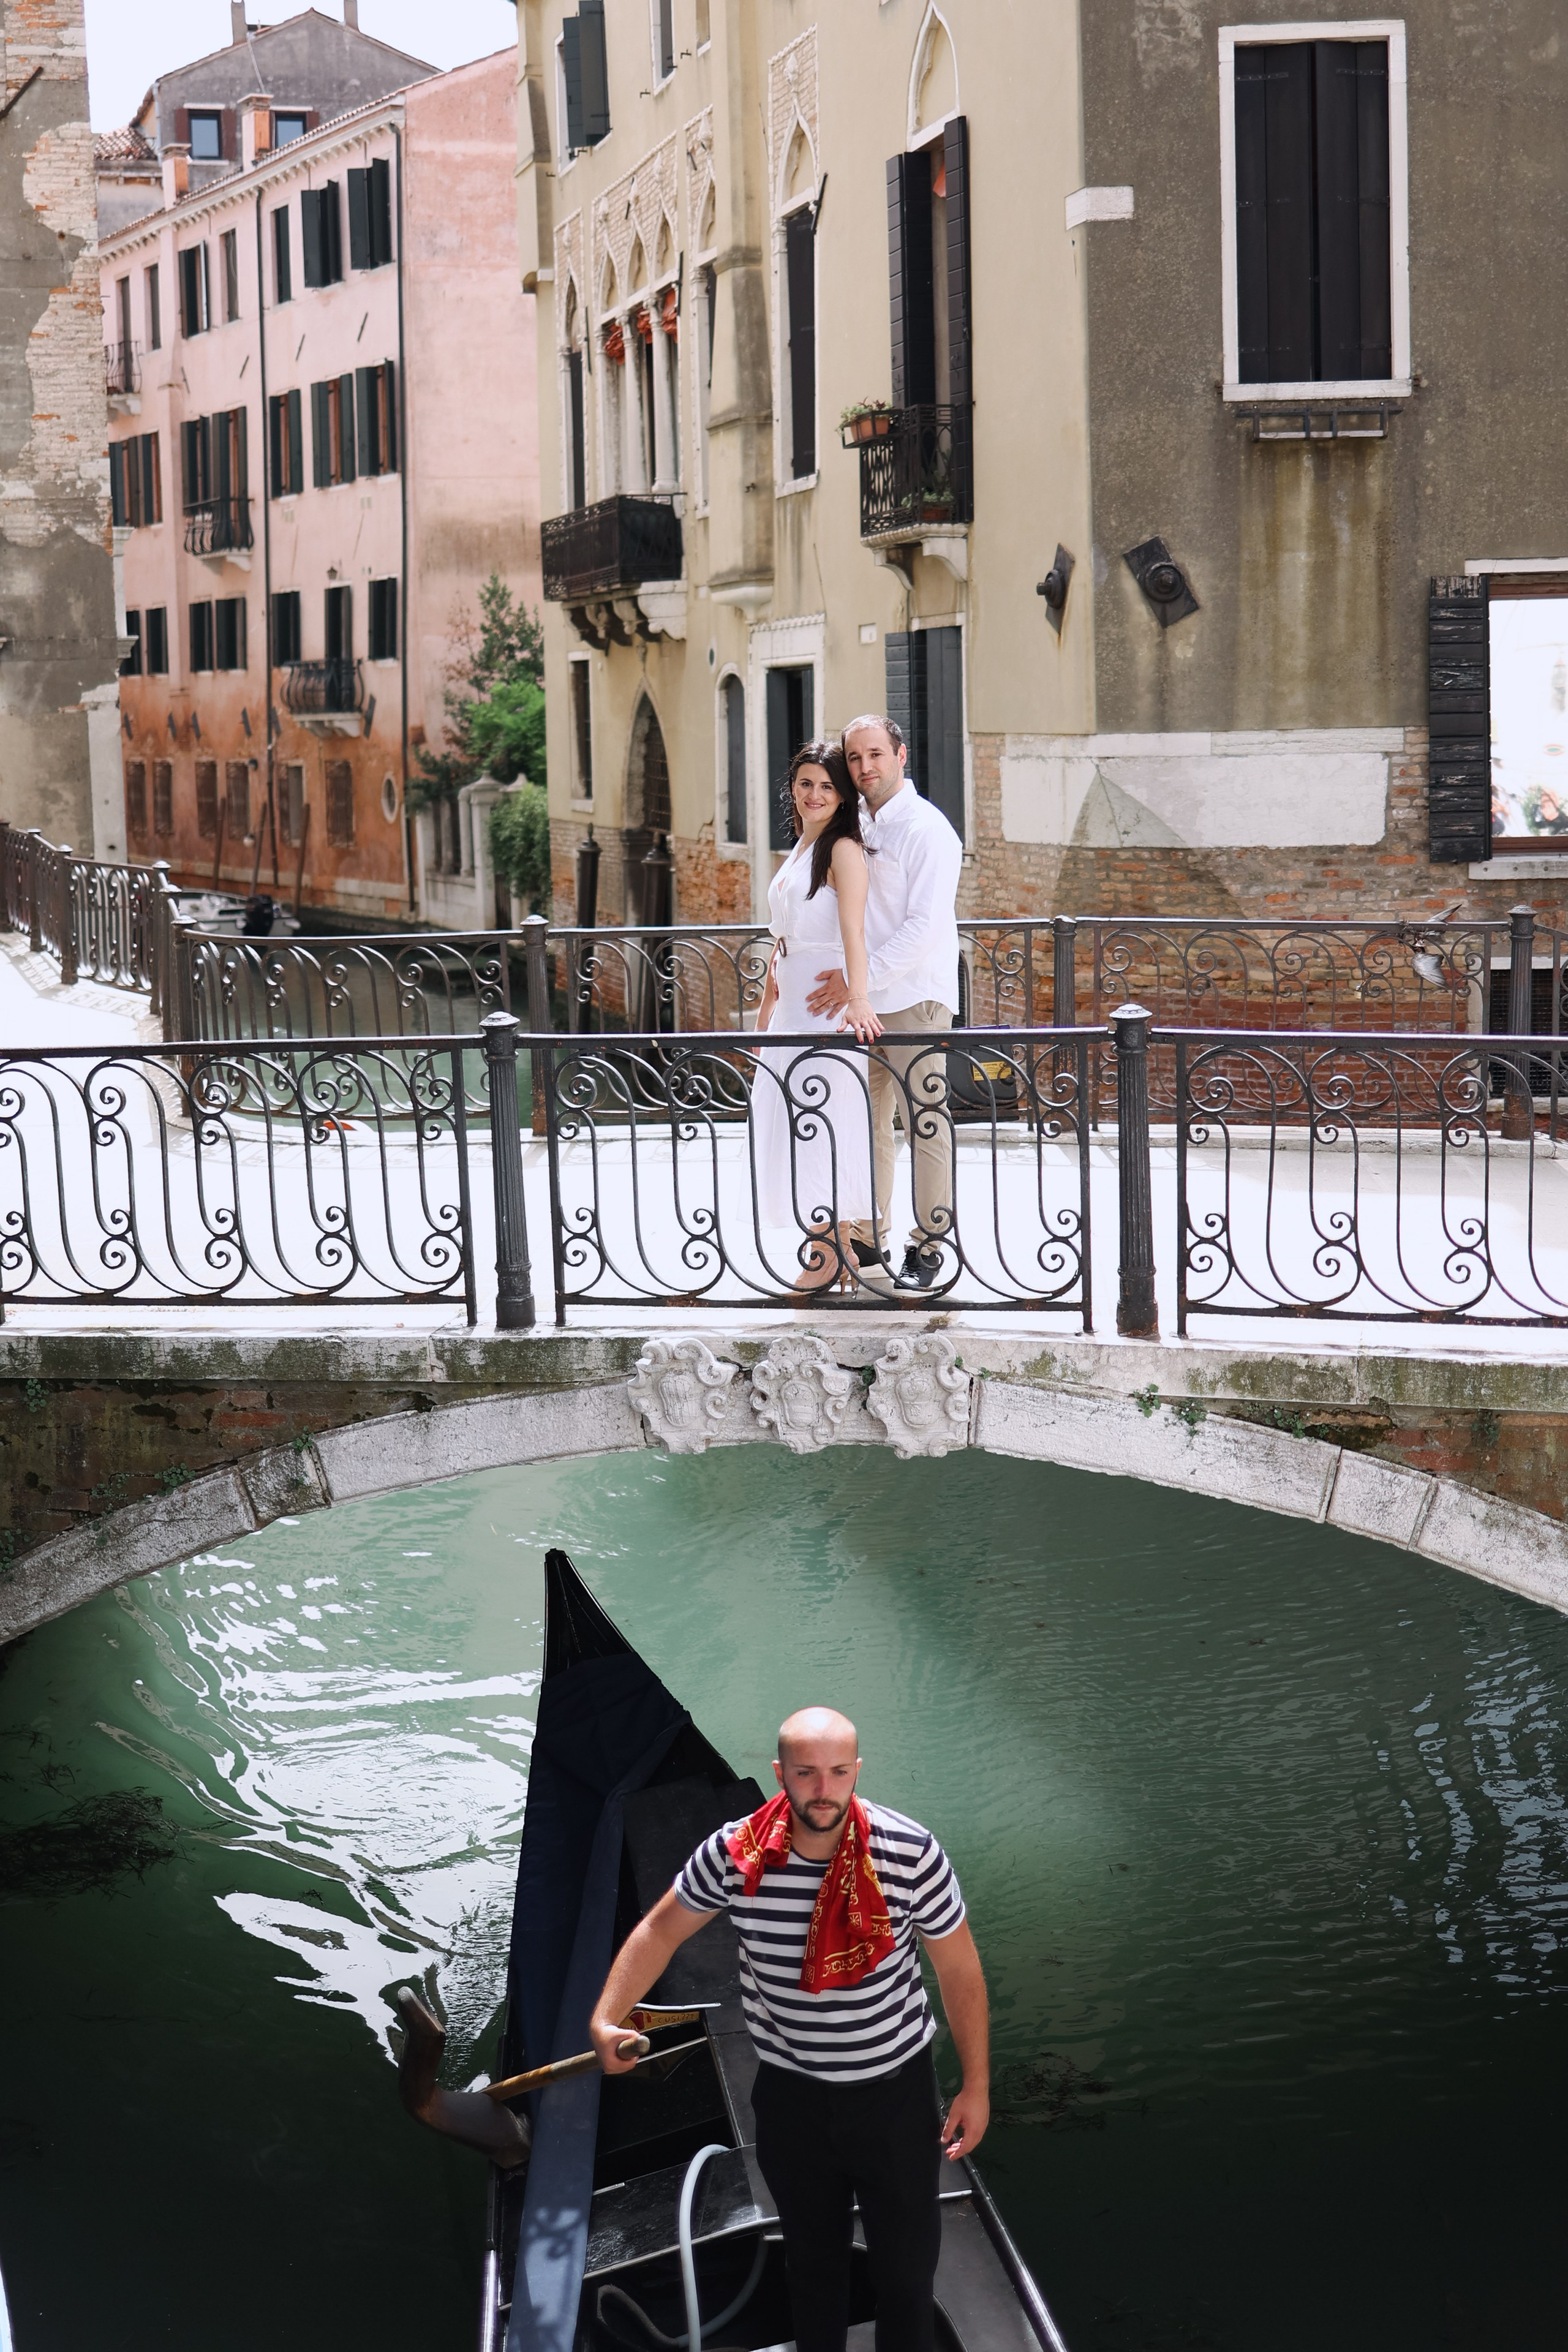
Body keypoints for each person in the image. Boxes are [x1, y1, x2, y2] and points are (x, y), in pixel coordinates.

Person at [589, 1706, 990, 2352]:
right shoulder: (734, 1853)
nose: (823, 1790)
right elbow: (660, 1928)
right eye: (806, 1774)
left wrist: (976, 2086)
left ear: (856, 1771)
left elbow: (960, 1971)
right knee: (812, 2266)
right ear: (781, 1774)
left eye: (837, 1773)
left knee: (906, 2276)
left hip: (896, 2096)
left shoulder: (910, 1851)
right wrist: (608, 2016)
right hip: (793, 2099)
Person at [806, 715, 963, 1293]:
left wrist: (856, 980)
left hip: (913, 997)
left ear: (901, 755)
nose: (864, 766)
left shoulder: (928, 830)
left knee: (925, 1120)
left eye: (875, 754)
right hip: (862, 1000)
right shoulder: (855, 824)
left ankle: (929, 1245)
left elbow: (924, 927)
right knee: (865, 1121)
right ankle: (872, 1235)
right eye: (854, 758)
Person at [751, 744, 883, 1294]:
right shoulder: (801, 848)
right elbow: (780, 943)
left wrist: (858, 998)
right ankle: (831, 1247)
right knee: (792, 1123)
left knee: (825, 1124)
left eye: (827, 786)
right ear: (793, 790)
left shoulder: (844, 850)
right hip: (791, 1002)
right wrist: (764, 1017)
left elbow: (855, 930)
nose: (814, 795)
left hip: (826, 1005)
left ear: (843, 794)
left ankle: (830, 1251)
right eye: (805, 784)